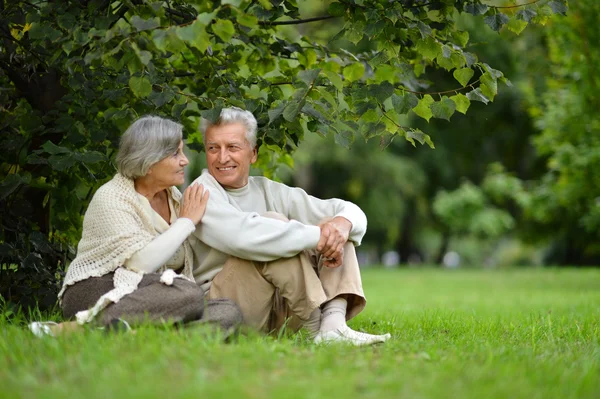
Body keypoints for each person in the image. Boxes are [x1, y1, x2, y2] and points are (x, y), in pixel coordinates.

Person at [189, 107, 391, 346]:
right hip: (226, 308)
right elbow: (245, 238)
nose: (222, 157)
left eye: (232, 147)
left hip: (277, 306)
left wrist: (340, 225)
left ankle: (333, 325)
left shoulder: (268, 189)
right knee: (274, 228)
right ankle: (317, 328)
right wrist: (319, 236)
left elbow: (351, 211)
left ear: (252, 153)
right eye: (213, 148)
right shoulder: (201, 192)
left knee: (337, 227)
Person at [53, 115, 242, 334]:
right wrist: (186, 222)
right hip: (96, 289)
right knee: (187, 294)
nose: (185, 160)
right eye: (175, 154)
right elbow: (140, 264)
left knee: (228, 311)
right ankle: (82, 327)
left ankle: (135, 335)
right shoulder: (112, 198)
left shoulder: (173, 197)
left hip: (155, 293)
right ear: (149, 162)